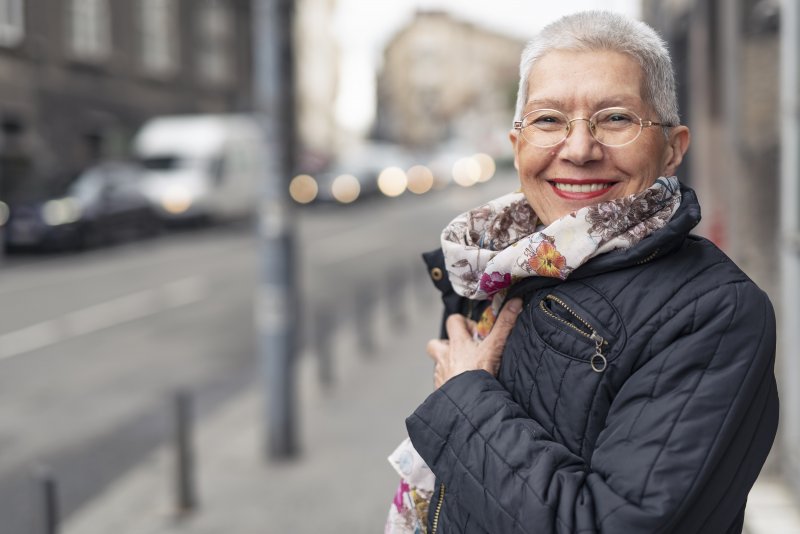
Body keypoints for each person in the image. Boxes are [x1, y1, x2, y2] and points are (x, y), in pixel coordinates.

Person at [397, 10, 779, 534]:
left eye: (616, 118)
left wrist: (463, 396)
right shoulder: (494, 264)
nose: (578, 150)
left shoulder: (715, 311)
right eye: (549, 120)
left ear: (673, 149)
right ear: (517, 145)